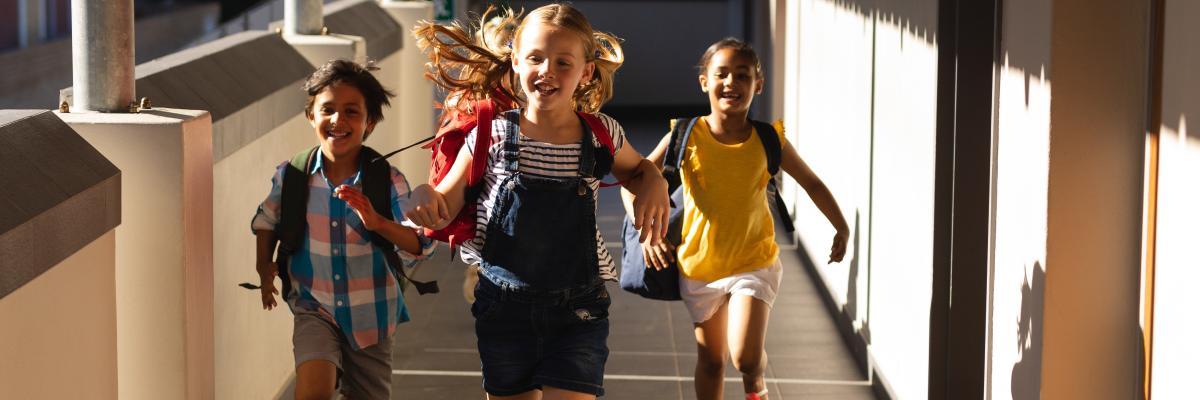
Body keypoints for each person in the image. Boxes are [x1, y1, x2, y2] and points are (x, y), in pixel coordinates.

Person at [408, 4, 670, 399]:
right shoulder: (491, 134)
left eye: (563, 62)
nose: (547, 70)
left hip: (579, 308)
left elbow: (638, 170)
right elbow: (444, 198)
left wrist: (655, 181)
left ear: (586, 72)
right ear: (515, 62)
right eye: (535, 58)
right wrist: (424, 196)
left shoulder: (601, 134)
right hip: (503, 307)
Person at [623, 38, 850, 400]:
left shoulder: (769, 139)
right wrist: (647, 233)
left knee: (744, 355)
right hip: (699, 266)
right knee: (712, 361)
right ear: (704, 82)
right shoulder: (685, 134)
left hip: (753, 261)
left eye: (742, 75)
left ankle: (755, 381)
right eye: (722, 74)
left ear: (757, 84)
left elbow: (812, 183)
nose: (731, 83)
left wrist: (841, 226)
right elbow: (633, 180)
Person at [250, 59, 435, 399]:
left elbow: (420, 243)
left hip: (373, 315)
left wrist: (377, 222)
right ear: (311, 116)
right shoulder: (293, 174)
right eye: (328, 110)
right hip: (313, 307)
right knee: (312, 392)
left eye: (352, 112)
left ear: (370, 123)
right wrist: (264, 267)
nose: (338, 120)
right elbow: (267, 220)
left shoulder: (386, 179)